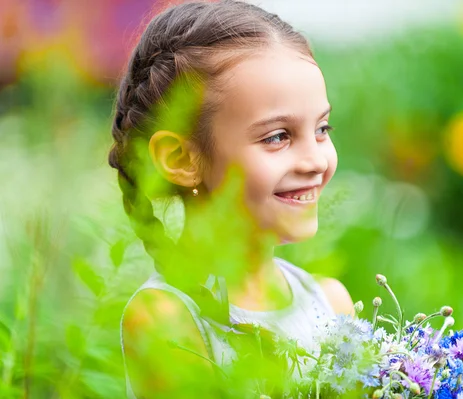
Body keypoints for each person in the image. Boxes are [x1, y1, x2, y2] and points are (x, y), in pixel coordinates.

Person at [108, 1, 354, 397]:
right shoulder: (166, 320)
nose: (315, 160)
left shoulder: (330, 302)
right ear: (180, 159)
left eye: (322, 128)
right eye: (277, 136)